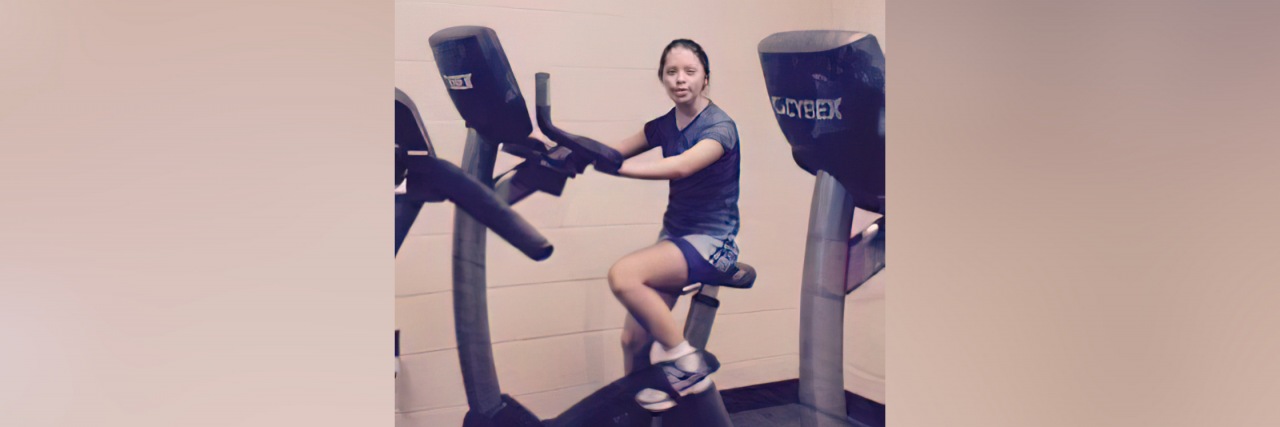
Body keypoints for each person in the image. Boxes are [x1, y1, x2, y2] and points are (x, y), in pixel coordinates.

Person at [595, 38, 742, 411]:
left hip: (713, 243)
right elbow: (613, 150)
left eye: (690, 72)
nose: (680, 80)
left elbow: (681, 166)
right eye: (671, 72)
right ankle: (635, 412)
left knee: (624, 275)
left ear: (705, 78)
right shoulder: (664, 125)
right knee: (633, 341)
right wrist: (564, 150)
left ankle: (686, 362)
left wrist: (620, 169)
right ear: (661, 78)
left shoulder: (719, 127)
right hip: (675, 239)